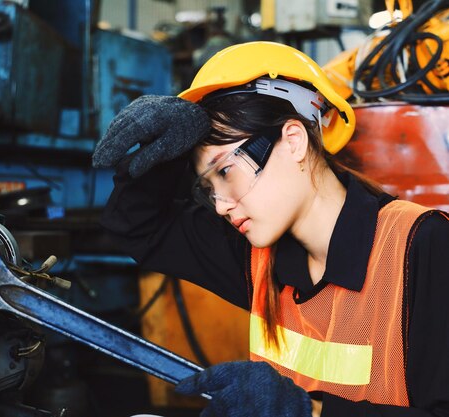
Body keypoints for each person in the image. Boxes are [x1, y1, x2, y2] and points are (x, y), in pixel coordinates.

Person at [92, 41, 449, 417]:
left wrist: (309, 411)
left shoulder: (422, 247)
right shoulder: (258, 256)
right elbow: (138, 227)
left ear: (293, 141)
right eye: (208, 188)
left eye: (226, 171)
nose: (221, 204)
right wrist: (170, 150)